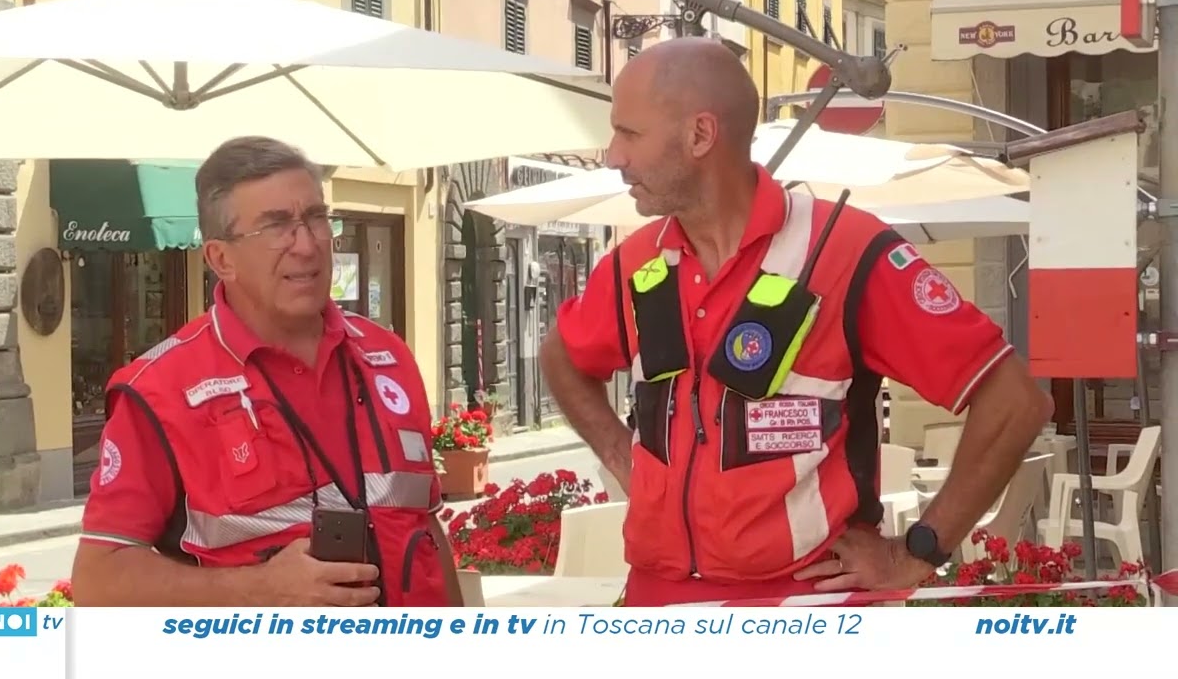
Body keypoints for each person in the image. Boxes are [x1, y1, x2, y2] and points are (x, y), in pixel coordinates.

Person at [539, 38, 1053, 607]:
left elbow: (1014, 402)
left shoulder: (849, 252)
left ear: (701, 135)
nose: (613, 156)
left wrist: (918, 550)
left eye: (629, 134)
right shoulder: (635, 262)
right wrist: (619, 455)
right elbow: (562, 355)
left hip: (807, 608)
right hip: (658, 606)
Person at [71, 136, 462, 607]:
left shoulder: (388, 356)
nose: (308, 244)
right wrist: (259, 588)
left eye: (316, 217)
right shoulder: (160, 391)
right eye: (276, 226)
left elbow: (426, 529)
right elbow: (99, 582)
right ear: (221, 259)